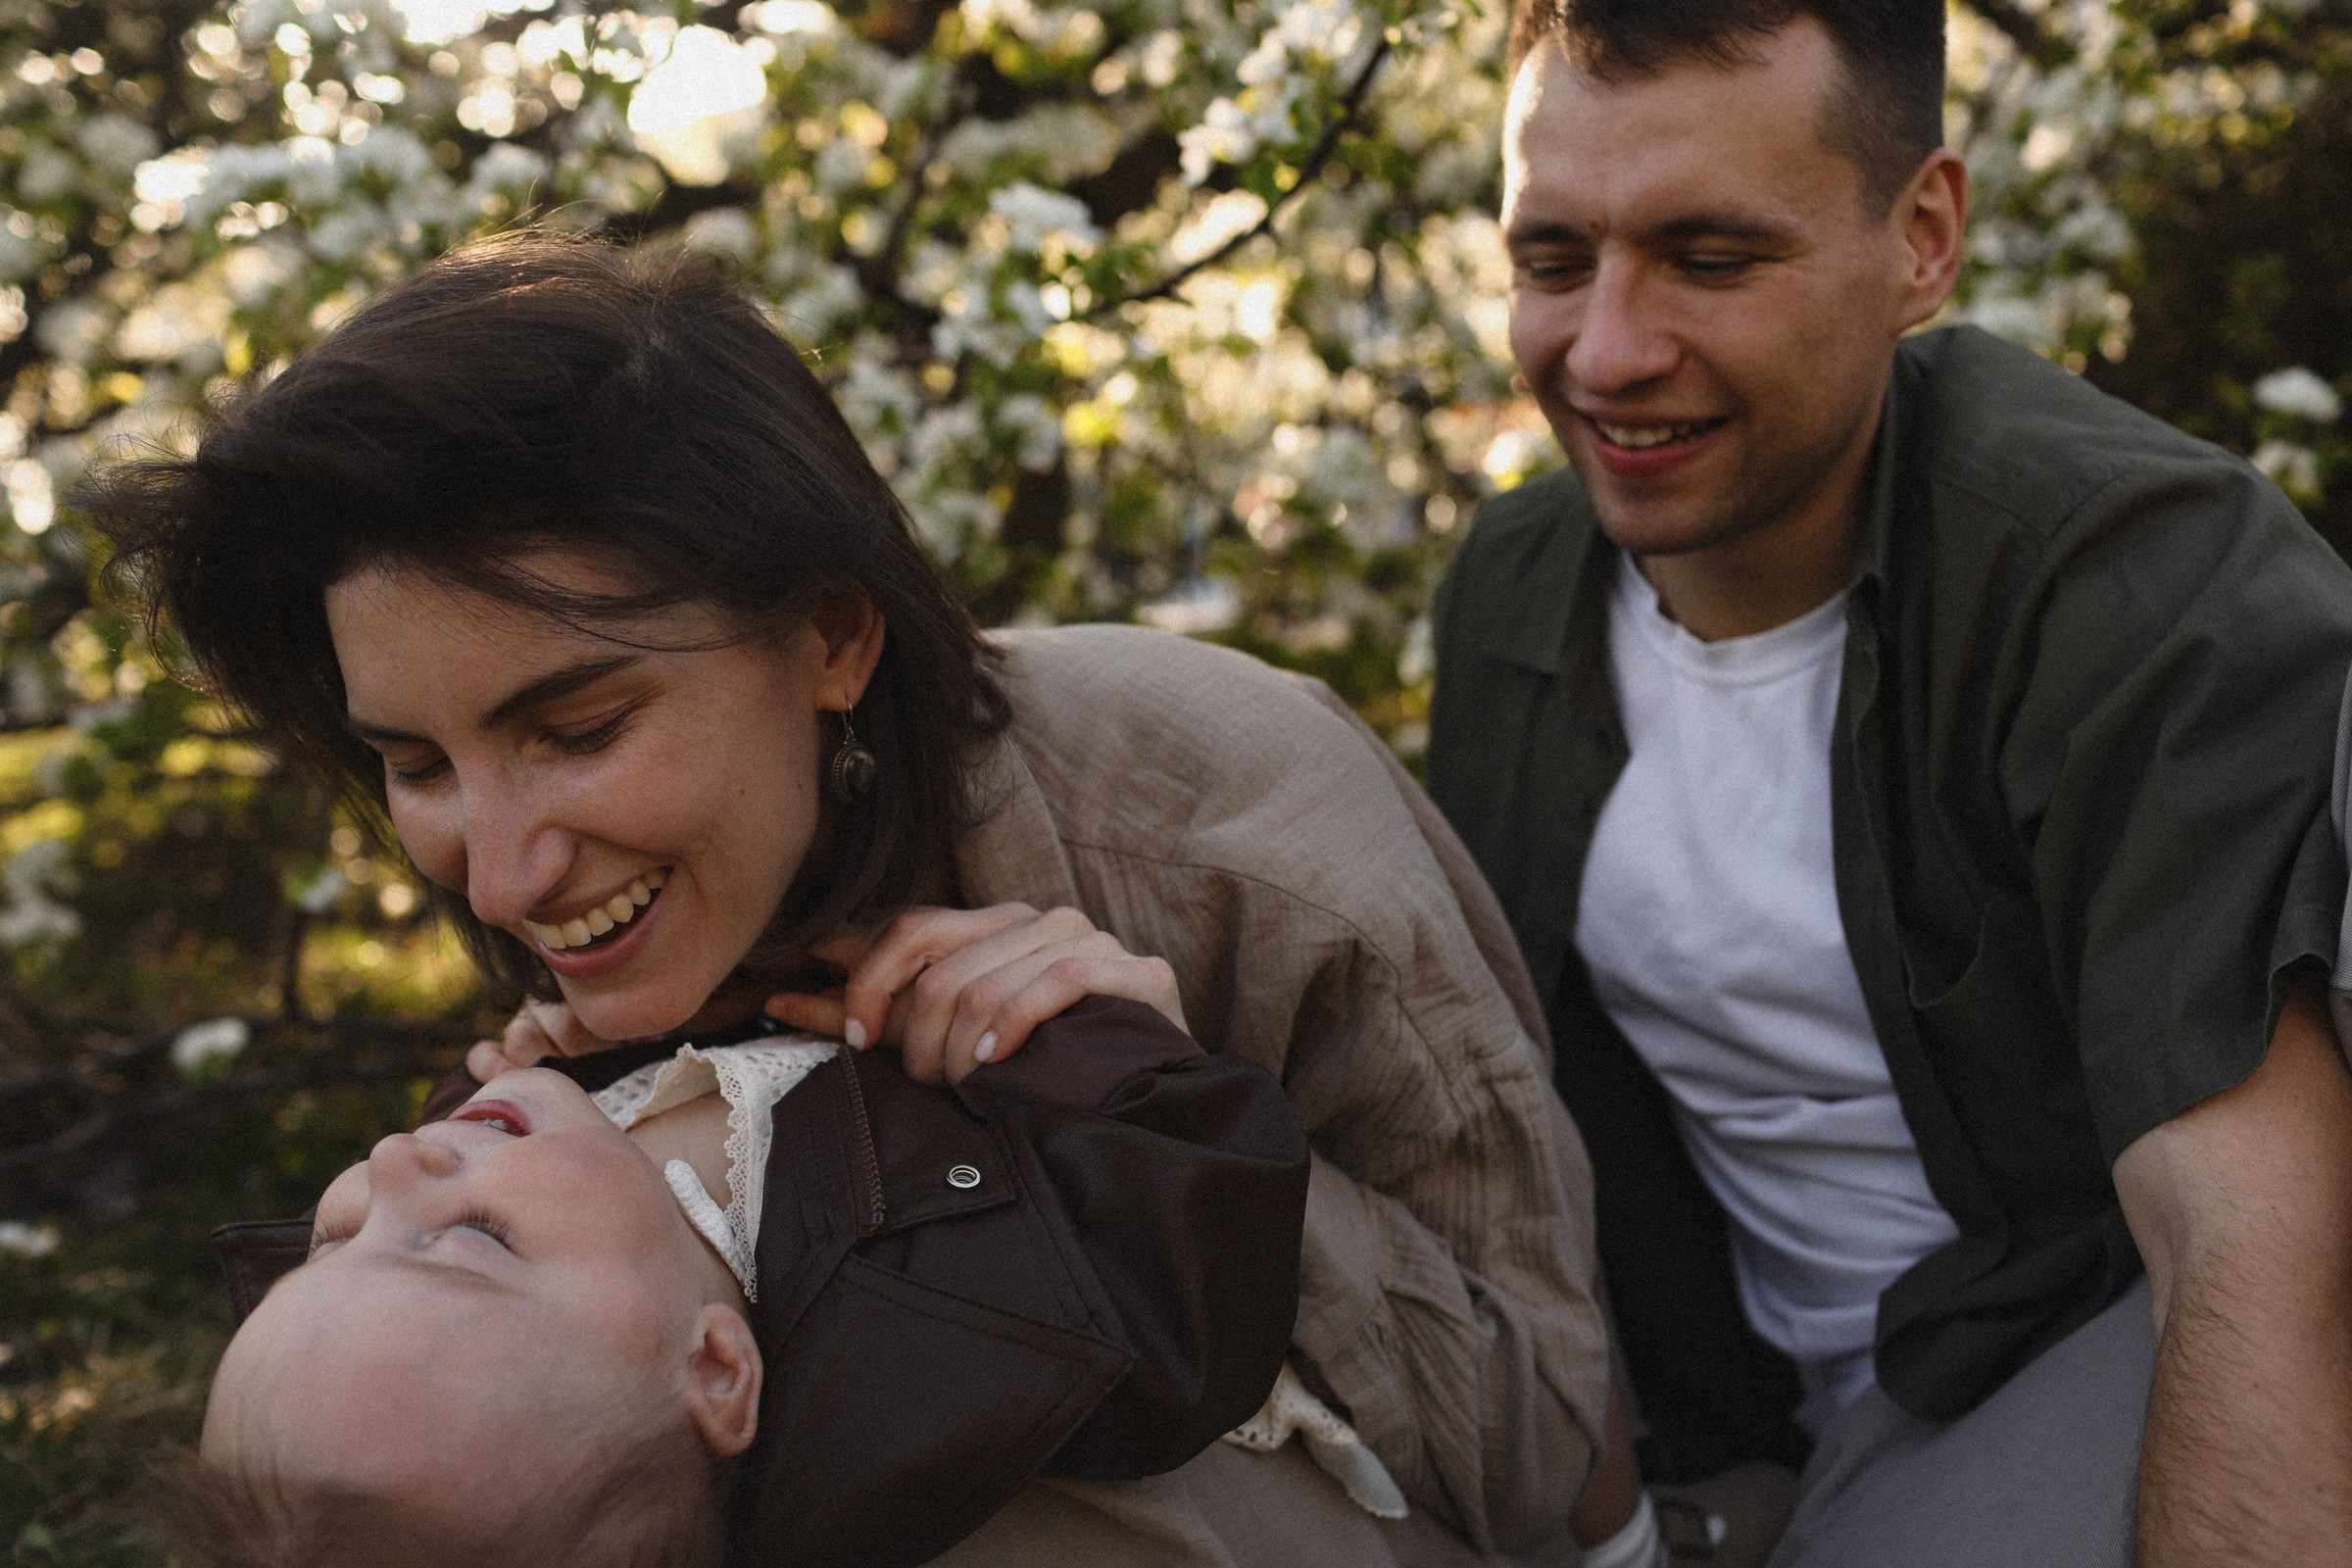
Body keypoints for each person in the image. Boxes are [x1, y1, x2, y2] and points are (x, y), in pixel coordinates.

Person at [86, 233, 1614, 1564]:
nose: (500, 876)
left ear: (829, 637)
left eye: (581, 731)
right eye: (416, 764)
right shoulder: (605, 916)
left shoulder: (1228, 822)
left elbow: (1545, 1438)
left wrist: (1124, 1104)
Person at [1426, 0, 2352, 1562]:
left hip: (2066, 1339)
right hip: (1728, 1426)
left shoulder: (2128, 577)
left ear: (1922, 237)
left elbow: (2253, 1229)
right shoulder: (1513, 589)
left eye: (1711, 260)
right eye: (1553, 260)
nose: (1608, 352)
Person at [180, 995, 1308, 1567]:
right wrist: (1060, 1029)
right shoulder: (959, 1329)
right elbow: (1199, 1202)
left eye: (334, 1247)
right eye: (473, 1237)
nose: (391, 1163)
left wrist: (598, 1042)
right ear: (719, 1367)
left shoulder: (551, 1168)